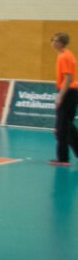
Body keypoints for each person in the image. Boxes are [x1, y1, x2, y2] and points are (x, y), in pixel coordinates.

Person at [51, 33, 78, 166]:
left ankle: (63, 159)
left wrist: (60, 96)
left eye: (57, 41)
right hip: (71, 92)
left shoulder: (64, 56)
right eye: (53, 40)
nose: (54, 43)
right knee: (68, 126)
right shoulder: (67, 54)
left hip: (68, 92)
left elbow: (68, 78)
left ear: (62, 42)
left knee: (61, 128)